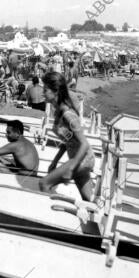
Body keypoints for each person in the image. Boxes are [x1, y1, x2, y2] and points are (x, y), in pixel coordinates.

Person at [39, 72, 94, 201]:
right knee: (89, 201)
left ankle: (49, 217)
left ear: (56, 91)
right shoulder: (58, 111)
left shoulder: (68, 114)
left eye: (45, 90)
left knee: (44, 183)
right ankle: (94, 221)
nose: (43, 93)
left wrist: (71, 167)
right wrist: (55, 162)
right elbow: (68, 141)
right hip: (79, 160)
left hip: (82, 160)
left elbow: (84, 144)